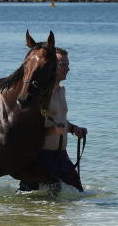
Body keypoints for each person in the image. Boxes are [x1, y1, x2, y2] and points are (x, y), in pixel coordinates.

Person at [19, 48, 87, 192]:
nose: (68, 69)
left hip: (61, 155)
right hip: (42, 155)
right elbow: (29, 129)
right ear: (53, 67)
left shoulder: (62, 90)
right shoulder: (41, 95)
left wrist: (73, 128)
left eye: (68, 65)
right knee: (31, 197)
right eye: (64, 65)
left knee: (77, 191)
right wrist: (53, 130)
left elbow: (60, 120)